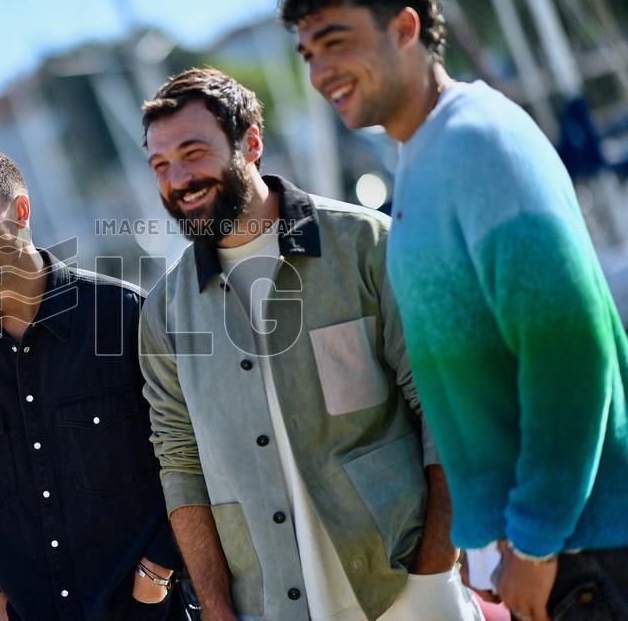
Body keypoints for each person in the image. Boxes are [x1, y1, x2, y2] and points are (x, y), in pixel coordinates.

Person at [281, 0, 628, 619]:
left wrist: (533, 541)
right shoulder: (421, 157)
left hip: (586, 549)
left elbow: (569, 351)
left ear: (405, 27)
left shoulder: (476, 142)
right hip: (553, 548)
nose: (321, 72)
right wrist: (481, 531)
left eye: (336, 43)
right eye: (306, 54)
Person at [138, 67, 482, 621]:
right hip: (267, 609)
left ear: (251, 142)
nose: (178, 178)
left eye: (194, 152)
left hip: (404, 593)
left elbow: (448, 415)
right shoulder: (163, 313)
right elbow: (180, 465)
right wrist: (218, 607)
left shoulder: (366, 246)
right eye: (161, 164)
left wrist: (433, 575)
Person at [0, 146, 184, 620]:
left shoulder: (120, 314)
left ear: (20, 211)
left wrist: (158, 573)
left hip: (148, 612)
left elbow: (189, 452)